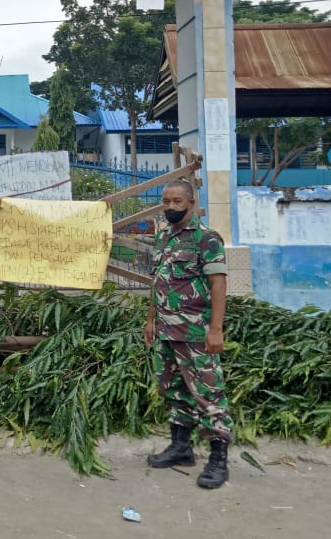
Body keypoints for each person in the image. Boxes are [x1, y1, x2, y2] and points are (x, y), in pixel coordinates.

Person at [143, 178, 233, 489]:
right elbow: (159, 282)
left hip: (195, 332)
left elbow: (218, 284)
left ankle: (218, 460)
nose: (170, 207)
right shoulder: (164, 237)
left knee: (208, 395)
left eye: (177, 202)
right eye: (166, 201)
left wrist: (216, 330)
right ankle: (181, 448)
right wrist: (151, 320)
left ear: (191, 204)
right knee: (173, 391)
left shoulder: (206, 239)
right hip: (166, 331)